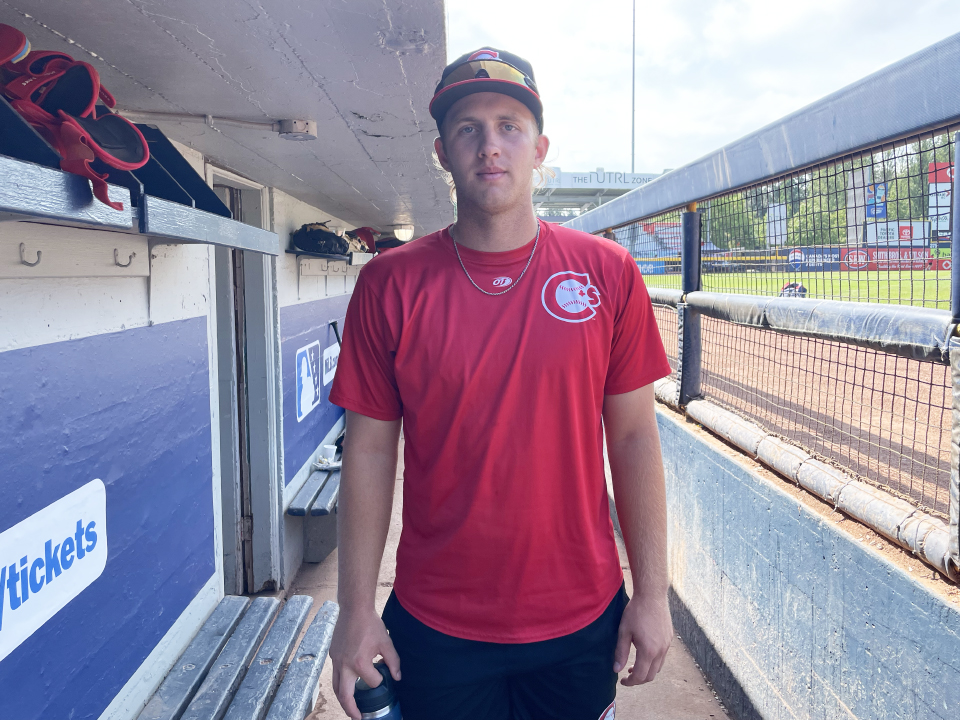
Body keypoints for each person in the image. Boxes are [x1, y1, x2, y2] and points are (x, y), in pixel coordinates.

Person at [329, 47, 673, 720]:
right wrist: (355, 608)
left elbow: (633, 438)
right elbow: (369, 452)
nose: (490, 145)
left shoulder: (608, 273)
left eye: (509, 125)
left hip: (581, 619)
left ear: (539, 146)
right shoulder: (389, 283)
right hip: (437, 623)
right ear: (442, 151)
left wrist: (653, 593)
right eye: (469, 129)